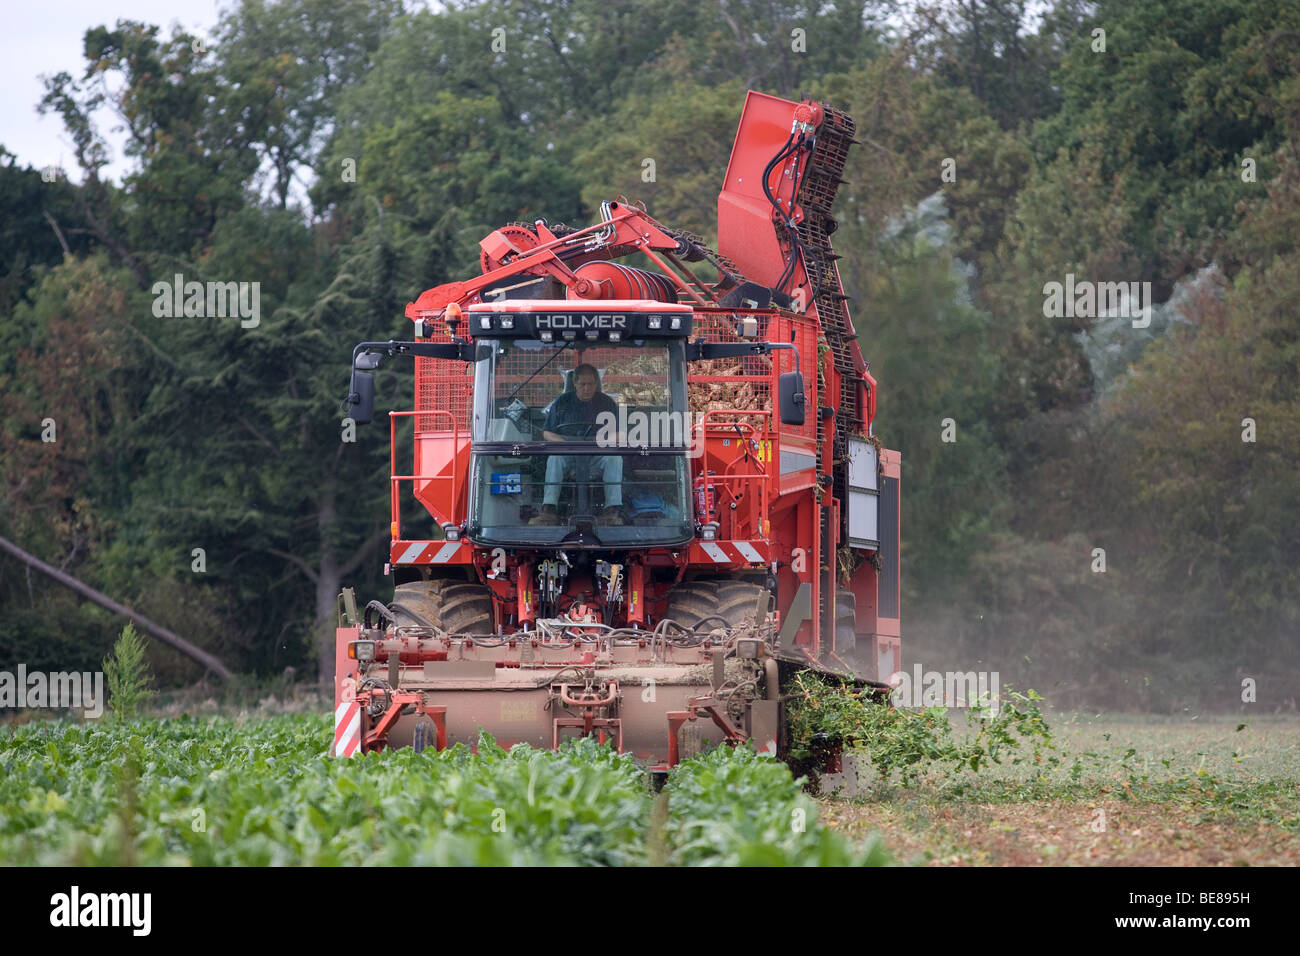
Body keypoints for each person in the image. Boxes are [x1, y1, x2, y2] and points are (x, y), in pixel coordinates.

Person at [531, 364, 624, 525]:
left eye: (591, 384)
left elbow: (620, 434)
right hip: (568, 456)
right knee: (554, 458)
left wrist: (601, 442)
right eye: (582, 384)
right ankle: (548, 509)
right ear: (574, 383)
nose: (587, 388)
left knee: (615, 459)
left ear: (597, 384)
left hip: (597, 456)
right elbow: (547, 432)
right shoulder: (562, 402)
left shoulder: (607, 403)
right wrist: (565, 445)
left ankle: (612, 511)